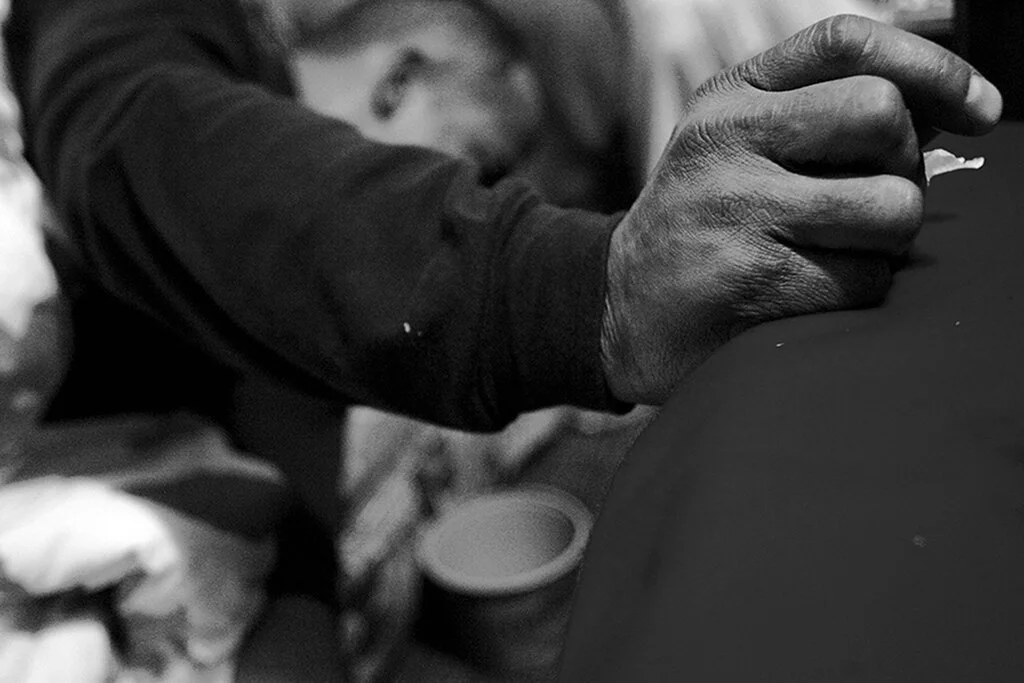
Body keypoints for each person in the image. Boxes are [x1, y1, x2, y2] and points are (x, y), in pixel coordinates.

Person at [2, 0, 1003, 678]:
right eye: (481, 165)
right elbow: (137, 147)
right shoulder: (135, 45)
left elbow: (281, 483)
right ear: (400, 78)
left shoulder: (271, 340)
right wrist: (582, 287)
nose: (486, 199)